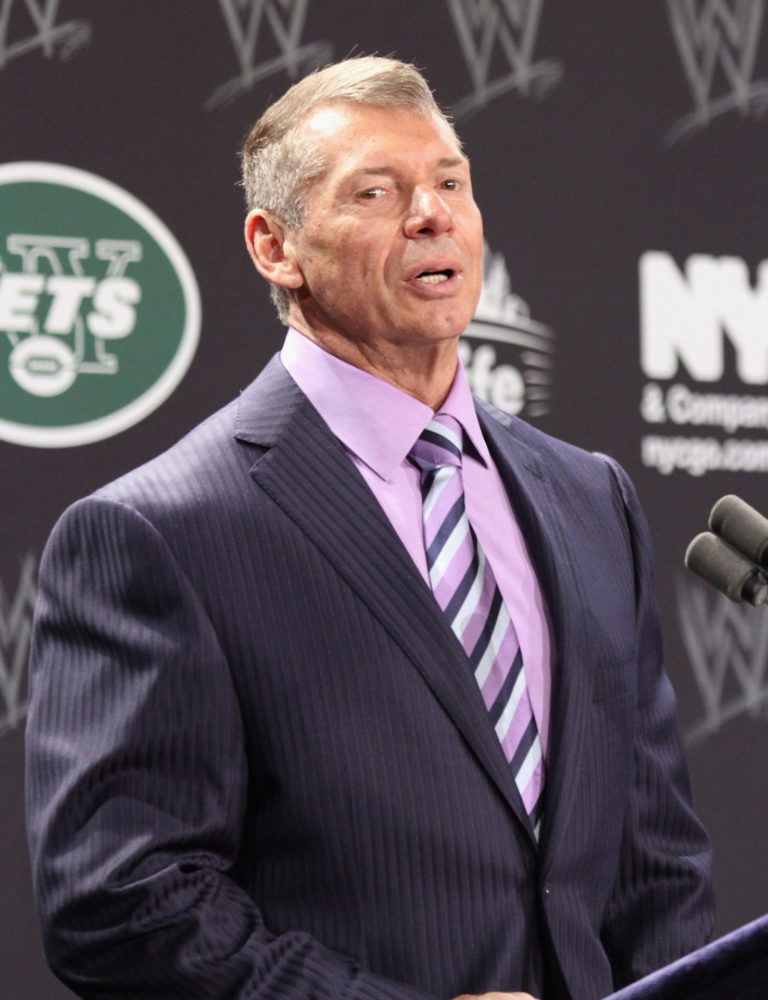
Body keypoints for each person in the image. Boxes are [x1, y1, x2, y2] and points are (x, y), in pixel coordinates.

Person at [26, 57, 715, 1000]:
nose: (432, 215)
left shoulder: (590, 497)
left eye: (451, 182)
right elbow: (123, 901)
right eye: (376, 192)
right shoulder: (159, 532)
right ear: (276, 248)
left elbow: (656, 860)